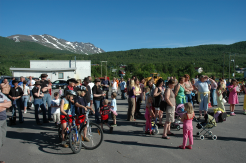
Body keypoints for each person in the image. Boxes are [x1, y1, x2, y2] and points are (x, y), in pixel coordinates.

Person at [0, 92, 12, 161]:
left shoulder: (1, 94)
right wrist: (5, 105)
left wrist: (1, 105)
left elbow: (9, 104)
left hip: (3, 119)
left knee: (2, 141)